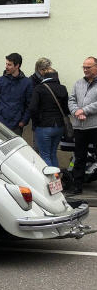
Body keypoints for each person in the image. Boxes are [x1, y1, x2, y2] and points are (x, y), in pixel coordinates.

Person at [67, 56, 97, 195]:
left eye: (88, 67)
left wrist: (83, 110)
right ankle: (77, 187)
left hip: (95, 126)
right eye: (83, 67)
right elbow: (71, 99)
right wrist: (76, 112)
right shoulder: (78, 83)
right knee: (79, 157)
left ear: (96, 67)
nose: (85, 70)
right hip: (80, 127)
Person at [29, 68, 69, 167]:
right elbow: (66, 109)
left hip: (44, 126)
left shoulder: (39, 88)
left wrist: (37, 122)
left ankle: (51, 177)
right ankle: (56, 176)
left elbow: (32, 108)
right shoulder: (63, 88)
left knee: (45, 155)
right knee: (53, 153)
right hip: (59, 126)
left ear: (44, 76)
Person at [0, 53, 33, 136]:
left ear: (17, 66)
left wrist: (23, 121)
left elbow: (29, 104)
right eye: (6, 64)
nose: (6, 67)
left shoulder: (27, 83)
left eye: (9, 65)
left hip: (16, 126)